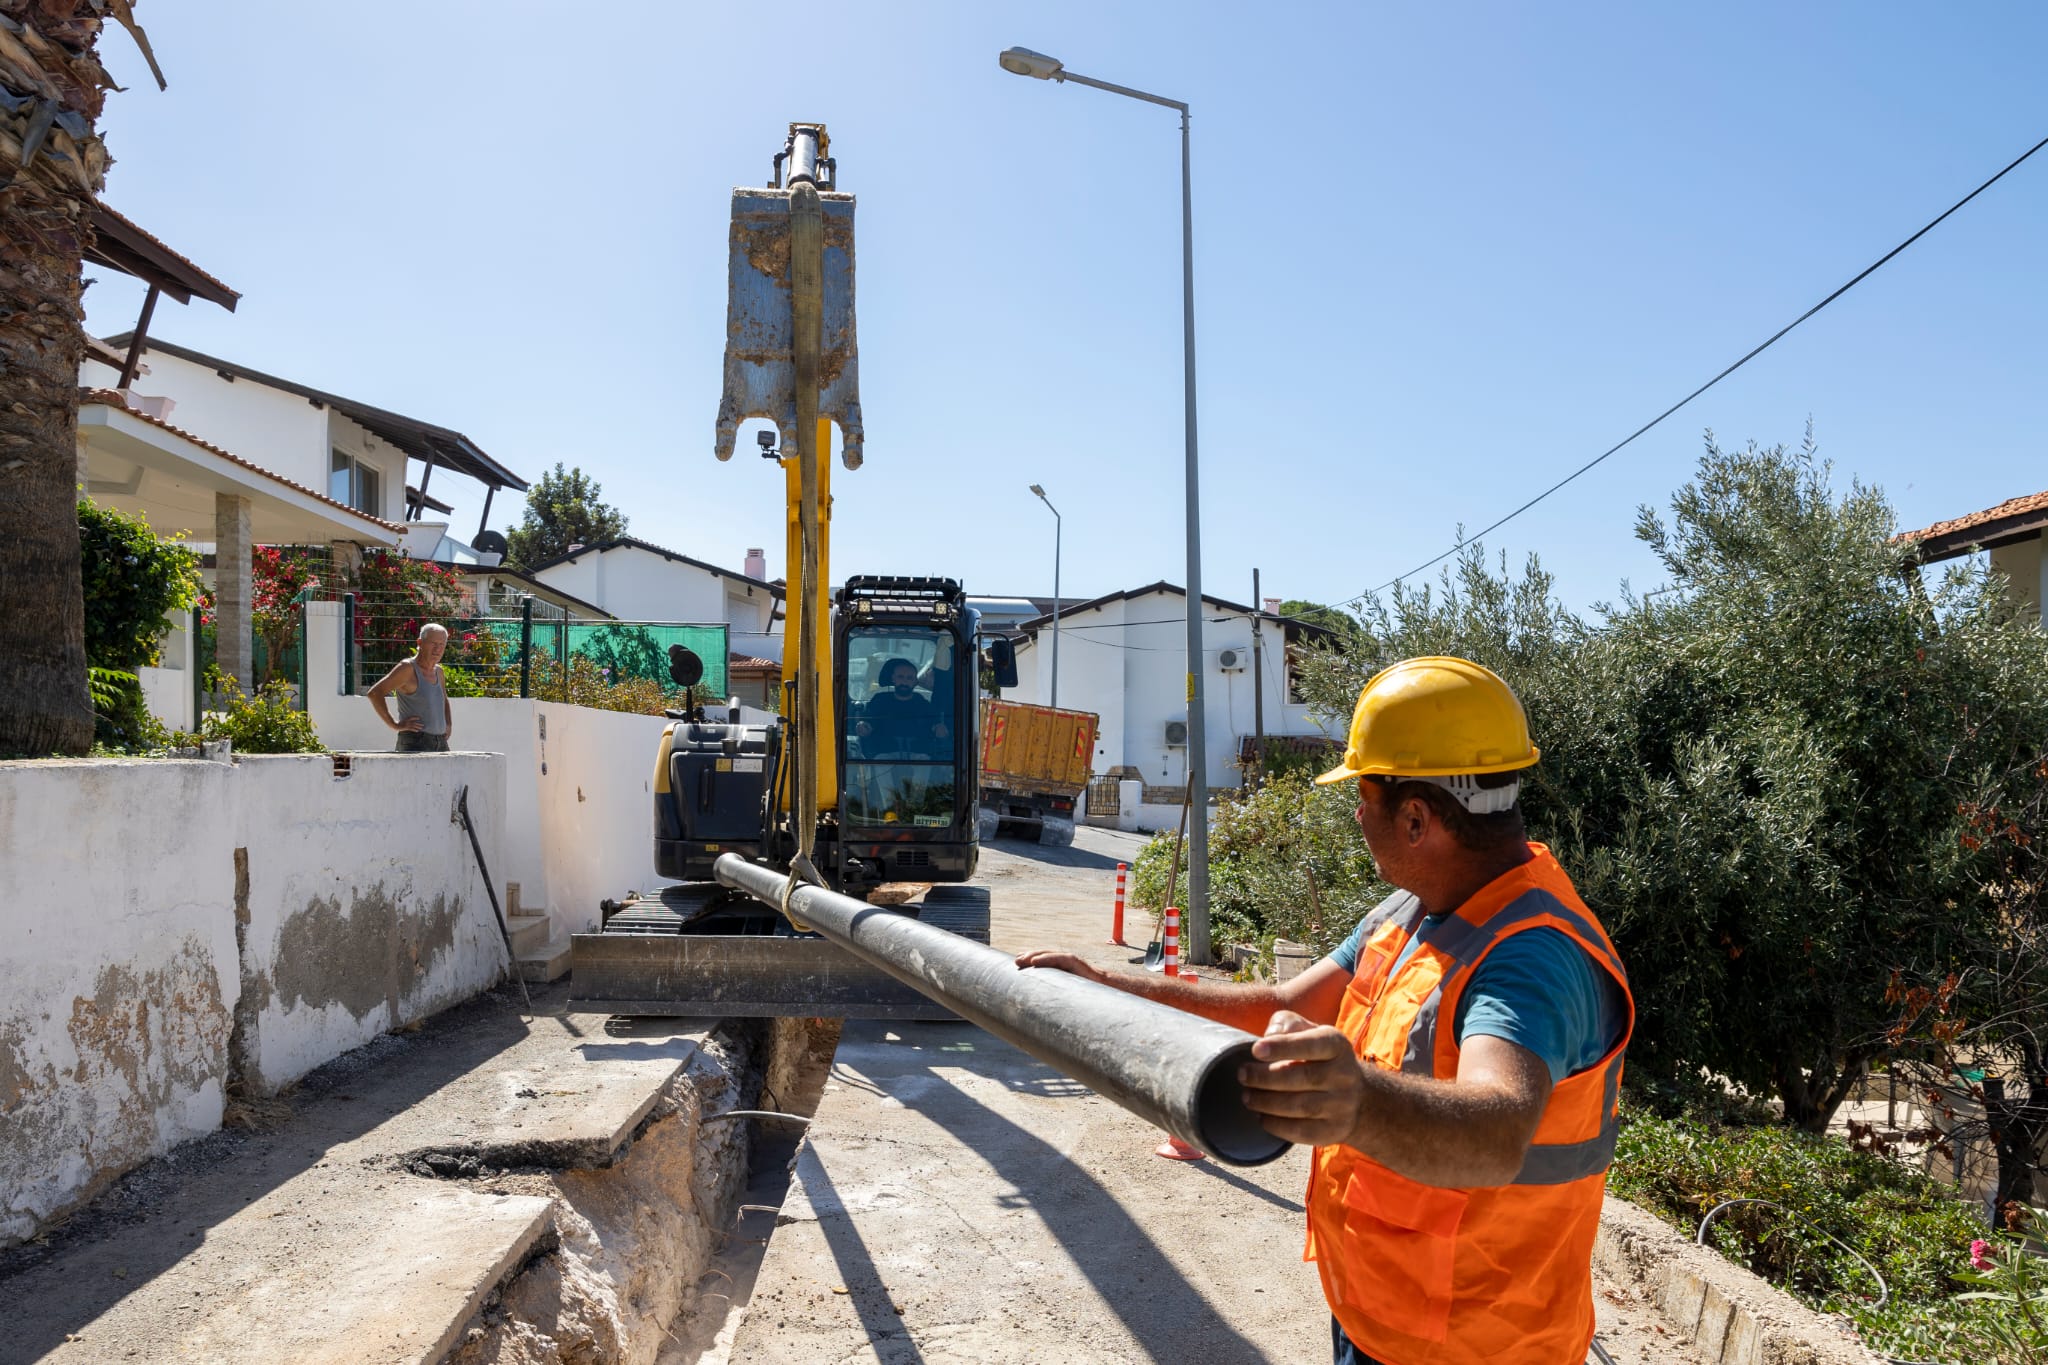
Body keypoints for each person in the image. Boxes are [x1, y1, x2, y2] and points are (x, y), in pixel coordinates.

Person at [1016, 657, 1631, 1365]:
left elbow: (1499, 1127)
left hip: (1478, 1347)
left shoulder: (1532, 957)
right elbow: (1280, 1004)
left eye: (1360, 798)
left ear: (1415, 818)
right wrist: (1109, 985)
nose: (1356, 816)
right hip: (1380, 1321)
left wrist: (1358, 1102)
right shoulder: (1413, 910)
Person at [368, 623, 454, 752]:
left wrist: (448, 724)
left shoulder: (438, 671)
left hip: (440, 743)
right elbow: (375, 693)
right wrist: (395, 725)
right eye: (433, 643)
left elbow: (444, 700)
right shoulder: (407, 668)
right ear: (420, 642)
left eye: (441, 644)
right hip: (415, 742)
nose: (437, 649)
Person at [854, 656, 949, 757]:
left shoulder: (923, 704)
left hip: (919, 759)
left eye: (909, 678)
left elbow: (935, 725)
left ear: (915, 681)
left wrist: (940, 730)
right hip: (883, 757)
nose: (904, 682)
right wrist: (863, 727)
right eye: (900, 677)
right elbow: (869, 722)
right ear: (893, 678)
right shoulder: (879, 701)